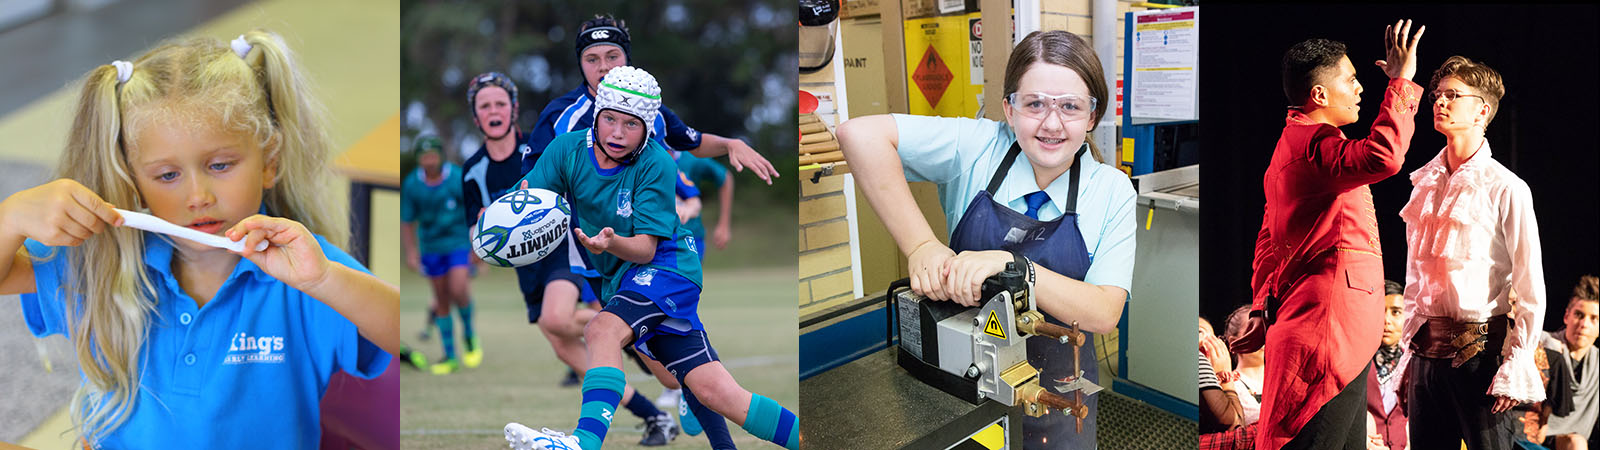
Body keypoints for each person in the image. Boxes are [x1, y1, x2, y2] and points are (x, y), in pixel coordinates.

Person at [0, 30, 397, 447]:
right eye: (167, 175)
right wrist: (9, 219)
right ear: (133, 181)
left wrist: (324, 281)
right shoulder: (102, 261)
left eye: (221, 165)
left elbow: (396, 330)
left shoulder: (304, 274)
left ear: (270, 161)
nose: (197, 196)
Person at [838, 30, 1136, 448]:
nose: (1052, 123)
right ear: (1008, 109)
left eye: (1070, 106)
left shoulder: (1110, 189)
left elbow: (1105, 312)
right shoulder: (977, 147)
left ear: (1092, 116)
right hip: (964, 392)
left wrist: (1014, 267)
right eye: (1034, 104)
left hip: (1058, 397)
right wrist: (921, 245)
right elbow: (857, 135)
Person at [503, 66, 799, 450]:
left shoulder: (656, 163)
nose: (616, 133)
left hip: (668, 266)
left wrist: (608, 243)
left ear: (647, 128)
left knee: (600, 330)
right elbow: (528, 196)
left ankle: (583, 443)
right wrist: (498, 222)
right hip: (622, 277)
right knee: (711, 389)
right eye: (609, 119)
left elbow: (645, 247)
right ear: (597, 114)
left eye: (631, 124)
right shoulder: (567, 150)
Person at [528, 14, 755, 447]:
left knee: (620, 340)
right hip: (588, 255)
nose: (603, 66)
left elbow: (687, 139)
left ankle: (587, 439)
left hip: (645, 251)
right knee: (652, 358)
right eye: (593, 59)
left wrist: (728, 144)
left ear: (627, 60)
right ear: (581, 65)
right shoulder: (560, 118)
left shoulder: (644, 107)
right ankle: (687, 392)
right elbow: (532, 186)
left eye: (613, 56)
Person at [1229, 21, 1425, 450]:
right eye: (1351, 79)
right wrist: (1401, 83)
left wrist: (1264, 305)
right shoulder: (1313, 145)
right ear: (1319, 94)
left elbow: (1267, 243)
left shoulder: (1291, 145)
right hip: (1332, 332)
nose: (1360, 89)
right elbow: (1383, 156)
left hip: (1331, 328)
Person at [459, 71, 678, 444]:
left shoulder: (538, 145)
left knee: (557, 318)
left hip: (566, 249)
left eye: (500, 103)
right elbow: (477, 231)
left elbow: (547, 187)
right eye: (485, 106)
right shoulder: (472, 170)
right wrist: (486, 236)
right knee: (560, 341)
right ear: (475, 116)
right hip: (526, 266)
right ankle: (653, 414)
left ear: (513, 109)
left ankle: (629, 326)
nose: (493, 111)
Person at [1398, 54, 1545, 450]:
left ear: (1482, 109)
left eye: (1452, 95)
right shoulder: (1425, 183)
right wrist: (1407, 359)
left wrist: (1518, 361)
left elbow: (1531, 285)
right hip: (1425, 352)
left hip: (1478, 355)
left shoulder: (1506, 187)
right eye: (1436, 96)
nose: (1440, 102)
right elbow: (1415, 276)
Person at [402, 135, 478, 374]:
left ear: (441, 156)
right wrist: (412, 251)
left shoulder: (456, 177)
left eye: (432, 155)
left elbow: (473, 212)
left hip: (456, 242)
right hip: (431, 246)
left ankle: (468, 334)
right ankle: (450, 356)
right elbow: (407, 221)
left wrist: (476, 245)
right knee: (441, 298)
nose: (429, 160)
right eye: (424, 156)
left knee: (458, 289)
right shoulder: (413, 183)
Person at [1539, 275, 1598, 449]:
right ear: (1566, 316)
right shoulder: (1542, 344)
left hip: (1567, 440)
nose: (1584, 324)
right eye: (1579, 315)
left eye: (1594, 318)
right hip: (1525, 434)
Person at [1367, 280, 1409, 450]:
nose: (1387, 320)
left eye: (1396, 312)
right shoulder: (1356, 364)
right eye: (1380, 311)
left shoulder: (1414, 362)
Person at [1224, 305, 1265, 426]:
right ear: (1234, 342)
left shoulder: (1284, 377)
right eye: (1252, 330)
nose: (1262, 338)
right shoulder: (1230, 384)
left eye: (1266, 329)